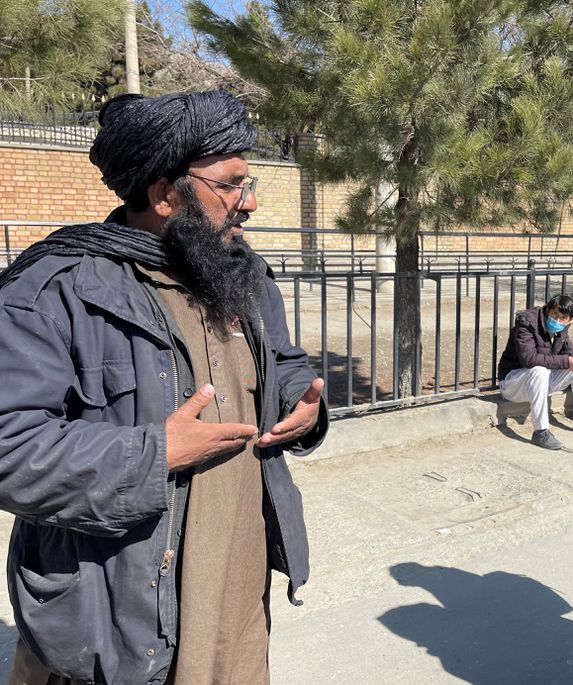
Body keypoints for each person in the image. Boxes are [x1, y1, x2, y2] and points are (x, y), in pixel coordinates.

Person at [0, 91, 328, 684]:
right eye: (231, 184)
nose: (249, 202)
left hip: (233, 589)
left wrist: (301, 402)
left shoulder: (243, 274)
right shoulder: (56, 291)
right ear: (164, 194)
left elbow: (281, 363)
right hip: (115, 609)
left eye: (248, 182)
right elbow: (9, 447)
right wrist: (154, 455)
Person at [498, 294, 573, 450]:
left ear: (569, 320)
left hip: (539, 384)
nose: (557, 321)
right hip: (512, 383)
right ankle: (541, 432)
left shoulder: (561, 328)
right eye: (554, 315)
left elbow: (569, 350)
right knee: (539, 371)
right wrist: (565, 361)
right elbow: (528, 359)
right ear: (547, 310)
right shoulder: (527, 323)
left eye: (563, 318)